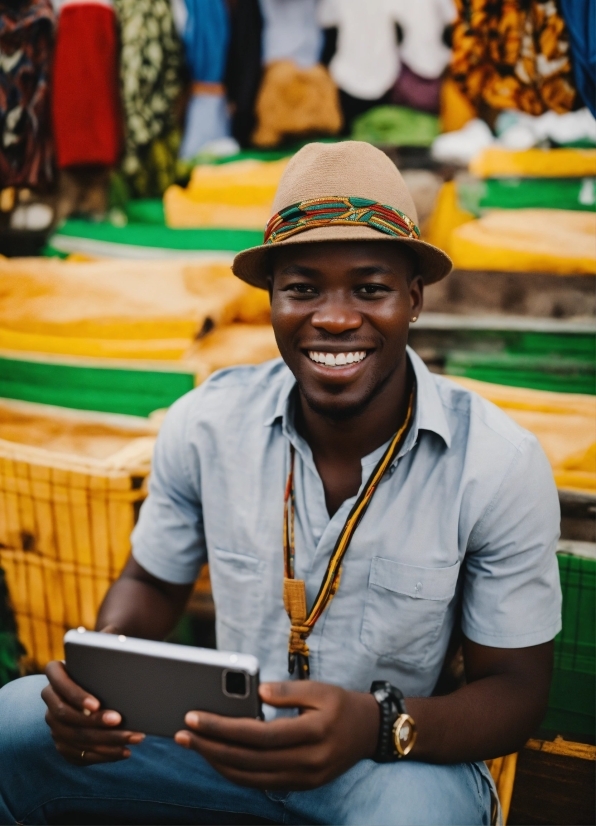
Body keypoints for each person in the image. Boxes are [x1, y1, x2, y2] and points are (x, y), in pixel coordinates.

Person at [0, 142, 561, 826]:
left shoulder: (497, 463)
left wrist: (372, 727)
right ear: (270, 300)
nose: (333, 317)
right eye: (302, 287)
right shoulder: (206, 424)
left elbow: (516, 693)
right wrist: (104, 672)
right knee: (17, 718)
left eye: (370, 287)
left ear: (414, 299)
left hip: (388, 771)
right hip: (221, 751)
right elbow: (151, 585)